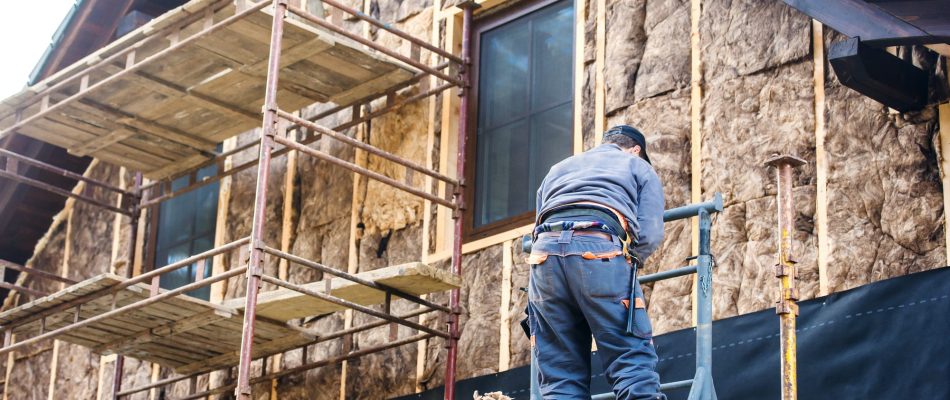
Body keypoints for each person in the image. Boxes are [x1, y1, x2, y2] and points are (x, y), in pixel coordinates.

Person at [527, 125, 665, 399]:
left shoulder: (558, 168)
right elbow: (649, 233)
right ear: (636, 150)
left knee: (559, 373)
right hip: (599, 249)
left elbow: (540, 220)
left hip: (544, 257)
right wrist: (630, 261)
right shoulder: (637, 166)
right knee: (630, 358)